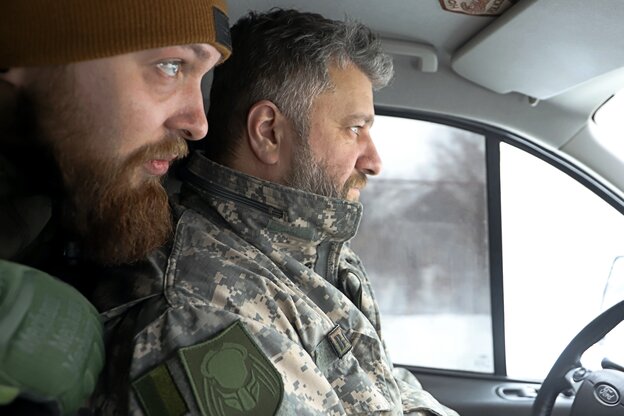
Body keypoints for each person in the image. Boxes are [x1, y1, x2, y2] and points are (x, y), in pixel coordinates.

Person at [92, 8, 459, 415]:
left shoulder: (304, 253)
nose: (373, 161)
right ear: (268, 132)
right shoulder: (201, 313)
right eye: (355, 129)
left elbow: (382, 381)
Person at [0, 1, 232, 414]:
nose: (199, 123)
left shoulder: (73, 198)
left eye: (204, 76)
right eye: (171, 65)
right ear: (26, 54)